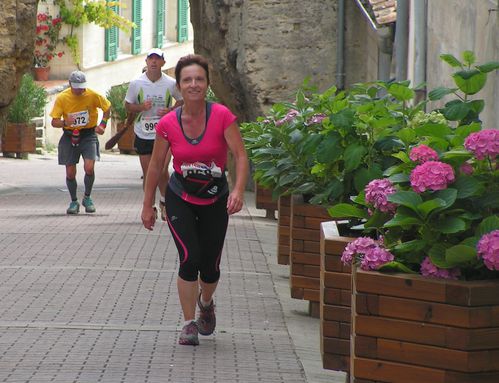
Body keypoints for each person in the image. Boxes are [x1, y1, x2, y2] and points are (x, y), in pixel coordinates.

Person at [141, 54, 249, 346]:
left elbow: (239, 155)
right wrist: (148, 204)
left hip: (216, 199)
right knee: (189, 259)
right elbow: (156, 166)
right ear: (178, 86)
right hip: (180, 197)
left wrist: (238, 190)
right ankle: (188, 324)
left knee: (210, 266)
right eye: (187, 80)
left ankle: (206, 301)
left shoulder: (222, 116)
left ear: (207, 84)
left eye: (199, 79)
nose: (193, 84)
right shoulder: (168, 123)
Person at [125, 48, 183, 221]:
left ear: (163, 63)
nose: (154, 62)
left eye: (158, 59)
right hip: (143, 132)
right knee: (148, 171)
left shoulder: (171, 83)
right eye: (151, 59)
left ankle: (164, 202)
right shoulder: (136, 83)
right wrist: (141, 107)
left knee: (163, 170)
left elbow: (181, 100)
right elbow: (128, 105)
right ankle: (149, 205)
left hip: (164, 132)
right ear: (146, 62)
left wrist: (171, 110)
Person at [50, 70, 111, 214]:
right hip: (69, 135)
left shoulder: (92, 95)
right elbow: (54, 121)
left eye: (82, 86)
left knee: (89, 167)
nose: (80, 90)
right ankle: (73, 201)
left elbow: (107, 107)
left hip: (88, 134)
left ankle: (87, 197)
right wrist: (65, 122)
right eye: (77, 87)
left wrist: (102, 124)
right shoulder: (62, 98)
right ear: (70, 85)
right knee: (70, 172)